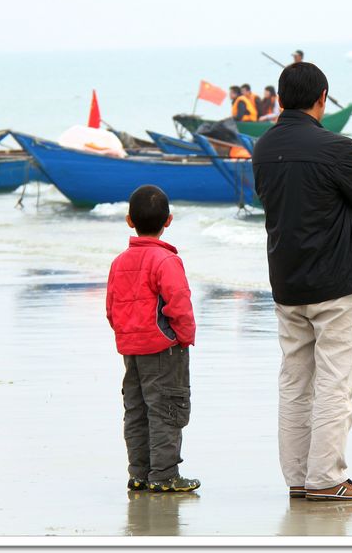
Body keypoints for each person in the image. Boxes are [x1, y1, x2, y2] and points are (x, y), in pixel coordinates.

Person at [251, 61, 352, 502]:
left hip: (286, 281)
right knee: (334, 382)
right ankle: (326, 479)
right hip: (334, 282)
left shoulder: (263, 148)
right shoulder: (336, 147)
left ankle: (298, 478)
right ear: (321, 98)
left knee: (294, 381)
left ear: (281, 98)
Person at [106, 185, 200, 495]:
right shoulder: (165, 260)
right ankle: (164, 474)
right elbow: (179, 304)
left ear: (129, 220)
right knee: (167, 409)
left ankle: (139, 473)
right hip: (163, 349)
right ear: (169, 220)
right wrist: (183, 338)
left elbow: (111, 307)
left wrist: (124, 334)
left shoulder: (119, 262)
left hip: (131, 348)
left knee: (136, 409)